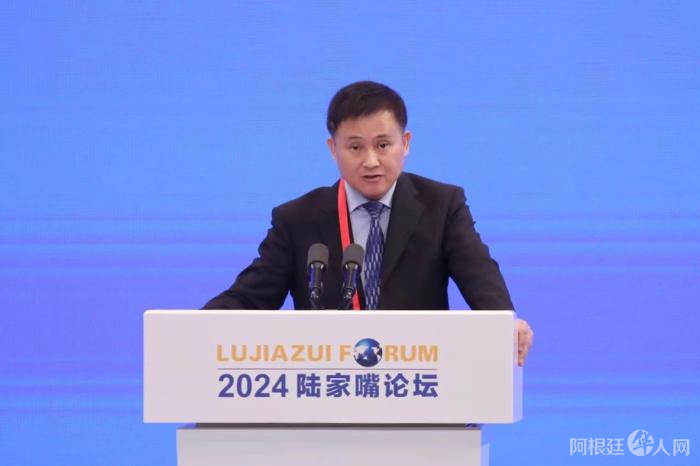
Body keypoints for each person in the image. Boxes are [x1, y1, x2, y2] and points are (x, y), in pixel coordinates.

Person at [204, 81, 533, 365]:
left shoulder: (441, 205)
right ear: (333, 149)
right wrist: (194, 328)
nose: (371, 161)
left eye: (383, 145)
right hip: (328, 386)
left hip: (417, 377)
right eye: (355, 147)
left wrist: (504, 323)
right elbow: (250, 297)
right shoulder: (298, 218)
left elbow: (479, 274)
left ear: (405, 143)